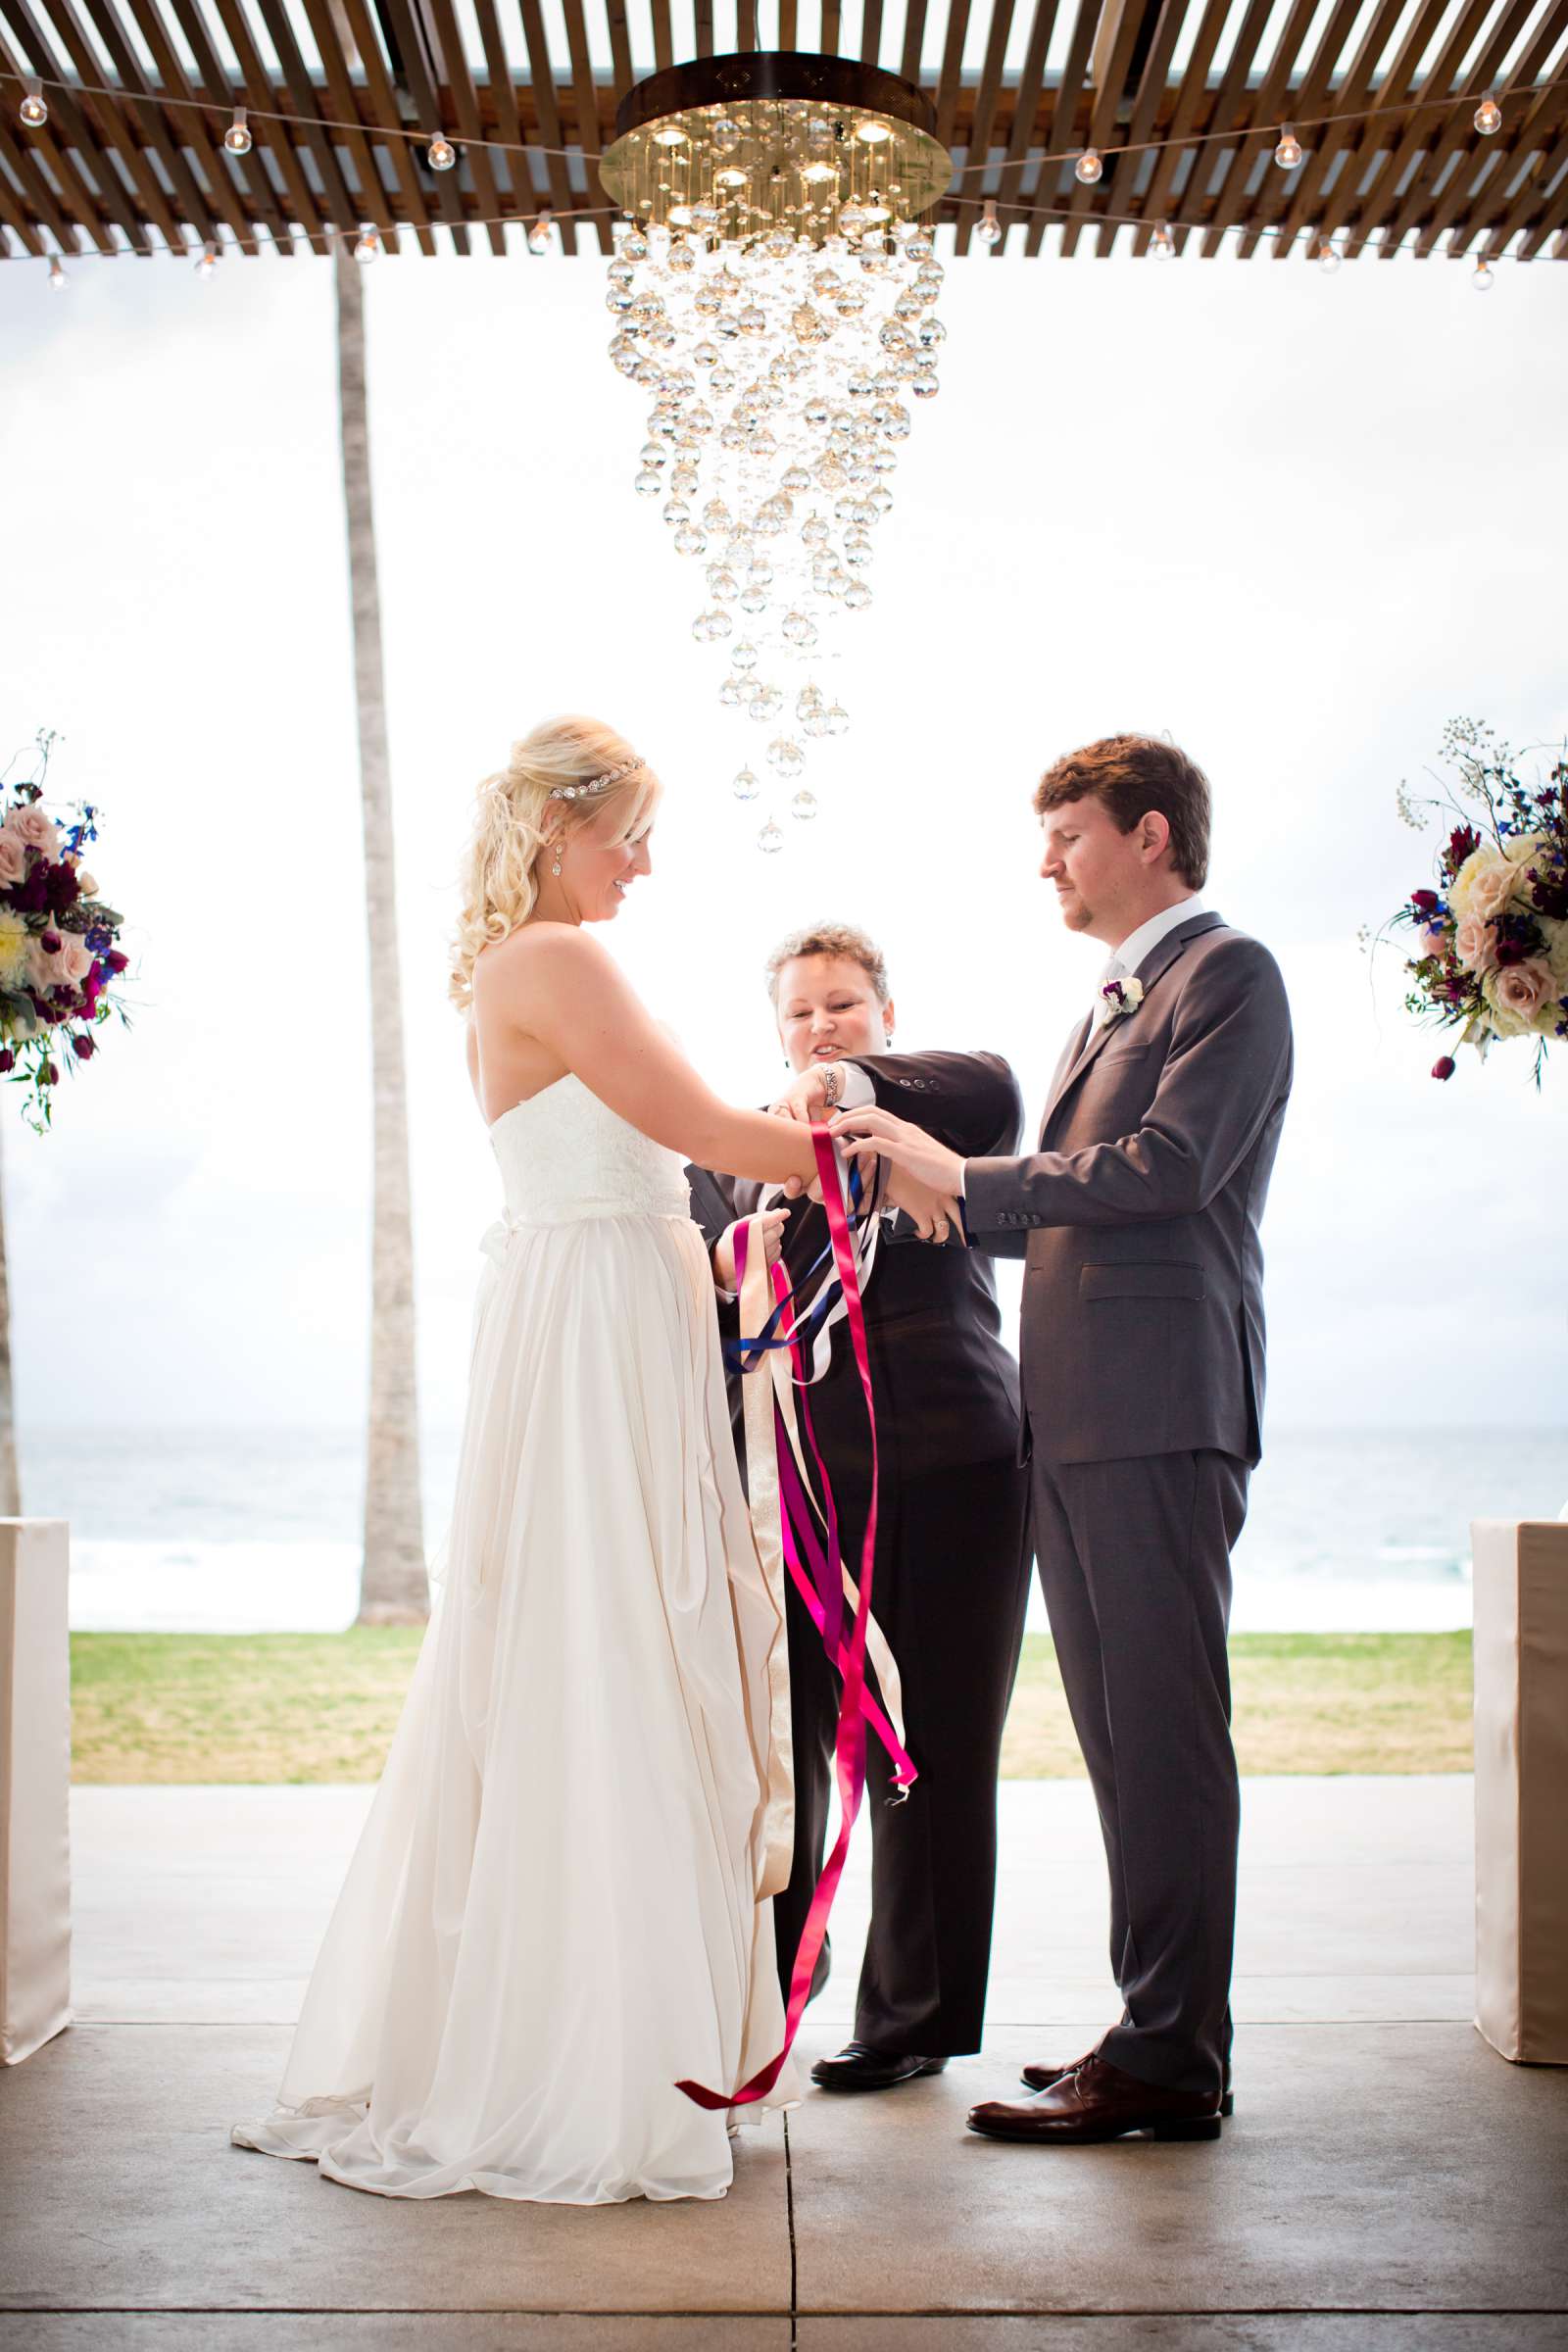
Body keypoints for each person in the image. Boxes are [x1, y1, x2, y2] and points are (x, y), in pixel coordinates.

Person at [231, 716, 925, 2205]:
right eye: (633, 835)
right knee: (610, 1641)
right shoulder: (556, 962)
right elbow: (692, 1127)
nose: (649, 863)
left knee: (609, 1635)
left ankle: (618, 2025)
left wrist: (793, 1125)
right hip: (603, 1314)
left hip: (607, 1304)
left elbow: (693, 1135)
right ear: (562, 829)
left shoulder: (528, 965)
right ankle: (592, 2057)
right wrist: (863, 1143)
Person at [831, 734, 1294, 2146]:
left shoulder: (1229, 975)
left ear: (1152, 835)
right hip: (1078, 1425)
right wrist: (938, 1195)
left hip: (1161, 1419)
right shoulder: (1112, 1003)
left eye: (1069, 836)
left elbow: (1163, 1173)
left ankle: (1170, 2058)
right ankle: (1156, 2033)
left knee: (1164, 1737)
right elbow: (1065, 1210)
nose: (1047, 863)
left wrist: (956, 1176)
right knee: (1118, 1742)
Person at [688, 922, 1032, 2092]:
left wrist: (850, 1093)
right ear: (771, 1030)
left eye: (842, 1006)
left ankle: (914, 2018)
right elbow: (690, 1291)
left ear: (885, 1014)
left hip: (950, 1470)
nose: (820, 1026)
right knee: (782, 1745)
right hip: (789, 1489)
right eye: (800, 1013)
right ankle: (777, 1977)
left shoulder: (945, 1108)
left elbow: (996, 1092)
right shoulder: (733, 1154)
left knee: (929, 1746)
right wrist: (740, 1251)